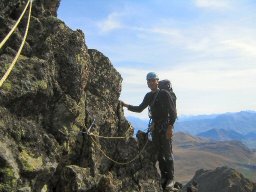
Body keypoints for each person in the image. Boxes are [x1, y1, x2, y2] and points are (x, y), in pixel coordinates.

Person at [121, 72, 177, 190]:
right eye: (149, 81)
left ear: (157, 81)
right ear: (147, 83)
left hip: (166, 126)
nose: (151, 83)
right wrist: (126, 105)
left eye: (153, 80)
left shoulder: (164, 94)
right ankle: (164, 177)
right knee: (160, 153)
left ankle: (171, 179)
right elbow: (140, 109)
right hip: (155, 127)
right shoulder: (148, 96)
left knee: (167, 152)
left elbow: (173, 113)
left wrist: (170, 128)